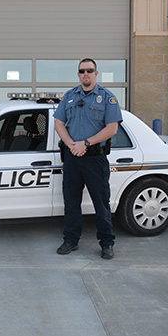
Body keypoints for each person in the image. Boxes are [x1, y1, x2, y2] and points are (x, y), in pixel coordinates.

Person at [53, 58, 122, 259]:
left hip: (95, 159)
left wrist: (86, 143)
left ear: (96, 73)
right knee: (71, 202)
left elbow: (112, 128)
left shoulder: (107, 98)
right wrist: (71, 145)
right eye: (82, 71)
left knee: (101, 204)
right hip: (73, 158)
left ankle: (107, 243)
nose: (86, 74)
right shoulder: (69, 97)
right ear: (78, 74)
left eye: (89, 70)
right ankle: (71, 240)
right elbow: (59, 123)